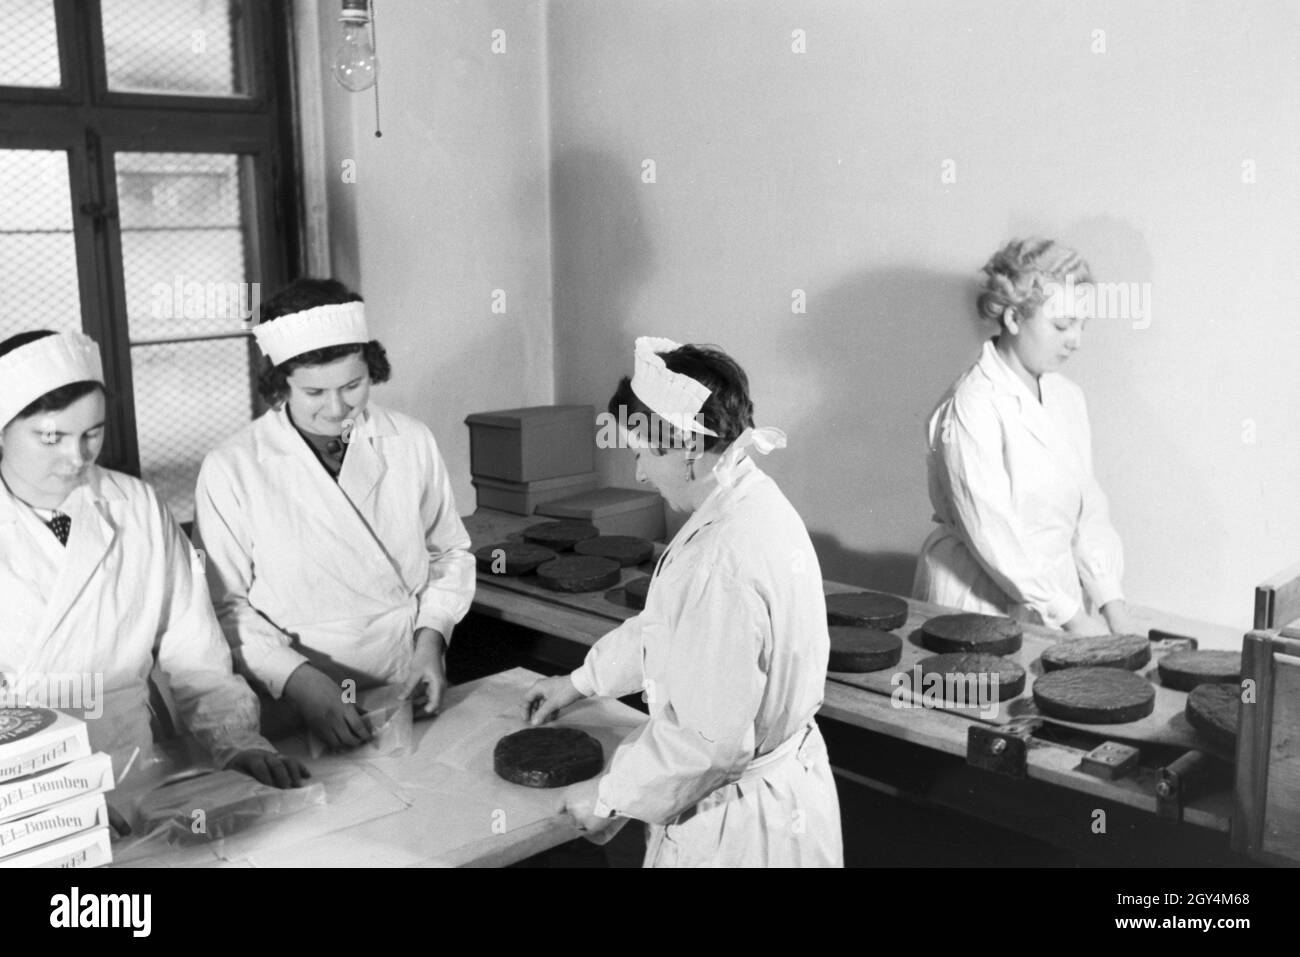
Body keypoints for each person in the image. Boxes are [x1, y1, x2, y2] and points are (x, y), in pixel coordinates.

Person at [522, 337, 843, 867]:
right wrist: (579, 682)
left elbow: (707, 744)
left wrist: (607, 797)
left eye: (645, 452)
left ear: (688, 448)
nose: (641, 473)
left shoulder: (723, 558)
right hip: (784, 793)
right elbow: (669, 633)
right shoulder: (750, 499)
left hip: (742, 830)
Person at [0, 330, 306, 788]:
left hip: (128, 764)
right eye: (51, 437)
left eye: (92, 433)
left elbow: (194, 648)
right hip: (18, 786)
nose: (77, 456)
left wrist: (237, 741)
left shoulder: (136, 506)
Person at [193, 279, 475, 750]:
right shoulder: (233, 468)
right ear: (281, 382)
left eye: (353, 385)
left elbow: (449, 553)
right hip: (294, 688)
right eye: (314, 392)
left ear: (373, 370)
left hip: (400, 673)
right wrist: (302, 682)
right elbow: (225, 605)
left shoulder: (410, 440)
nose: (337, 408)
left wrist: (432, 640)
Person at [912, 238, 1136, 636]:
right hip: (977, 600)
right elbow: (993, 534)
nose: (1076, 340)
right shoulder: (972, 405)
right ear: (1014, 318)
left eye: (1083, 324)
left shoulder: (1067, 397)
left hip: (1056, 604)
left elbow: (1088, 511)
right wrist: (1074, 618)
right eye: (1062, 325)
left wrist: (1112, 607)